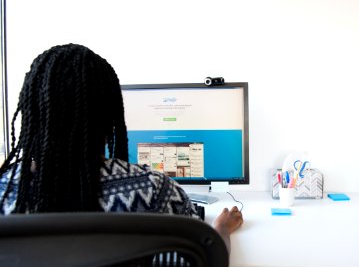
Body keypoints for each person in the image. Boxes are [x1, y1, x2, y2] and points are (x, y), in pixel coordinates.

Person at [0, 43, 242, 250]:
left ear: (32, 111)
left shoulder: (5, 192)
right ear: (109, 116)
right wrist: (220, 229)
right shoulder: (155, 191)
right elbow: (205, 260)